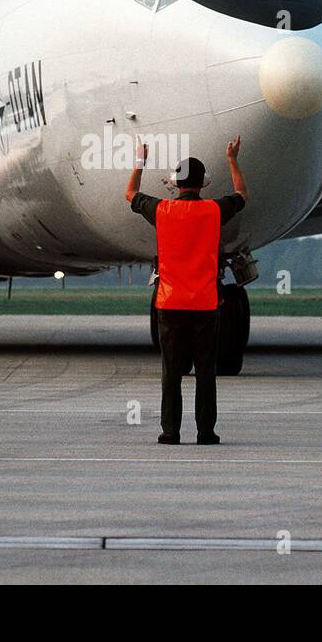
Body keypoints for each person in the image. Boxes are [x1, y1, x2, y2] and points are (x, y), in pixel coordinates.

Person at [126, 136, 249, 445]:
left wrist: (140, 160)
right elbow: (241, 194)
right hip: (206, 305)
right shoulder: (213, 211)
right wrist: (232, 159)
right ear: (202, 185)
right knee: (206, 372)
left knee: (171, 373)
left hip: (170, 303)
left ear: (176, 184)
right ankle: (206, 432)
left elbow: (130, 194)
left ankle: (170, 432)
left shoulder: (162, 210)